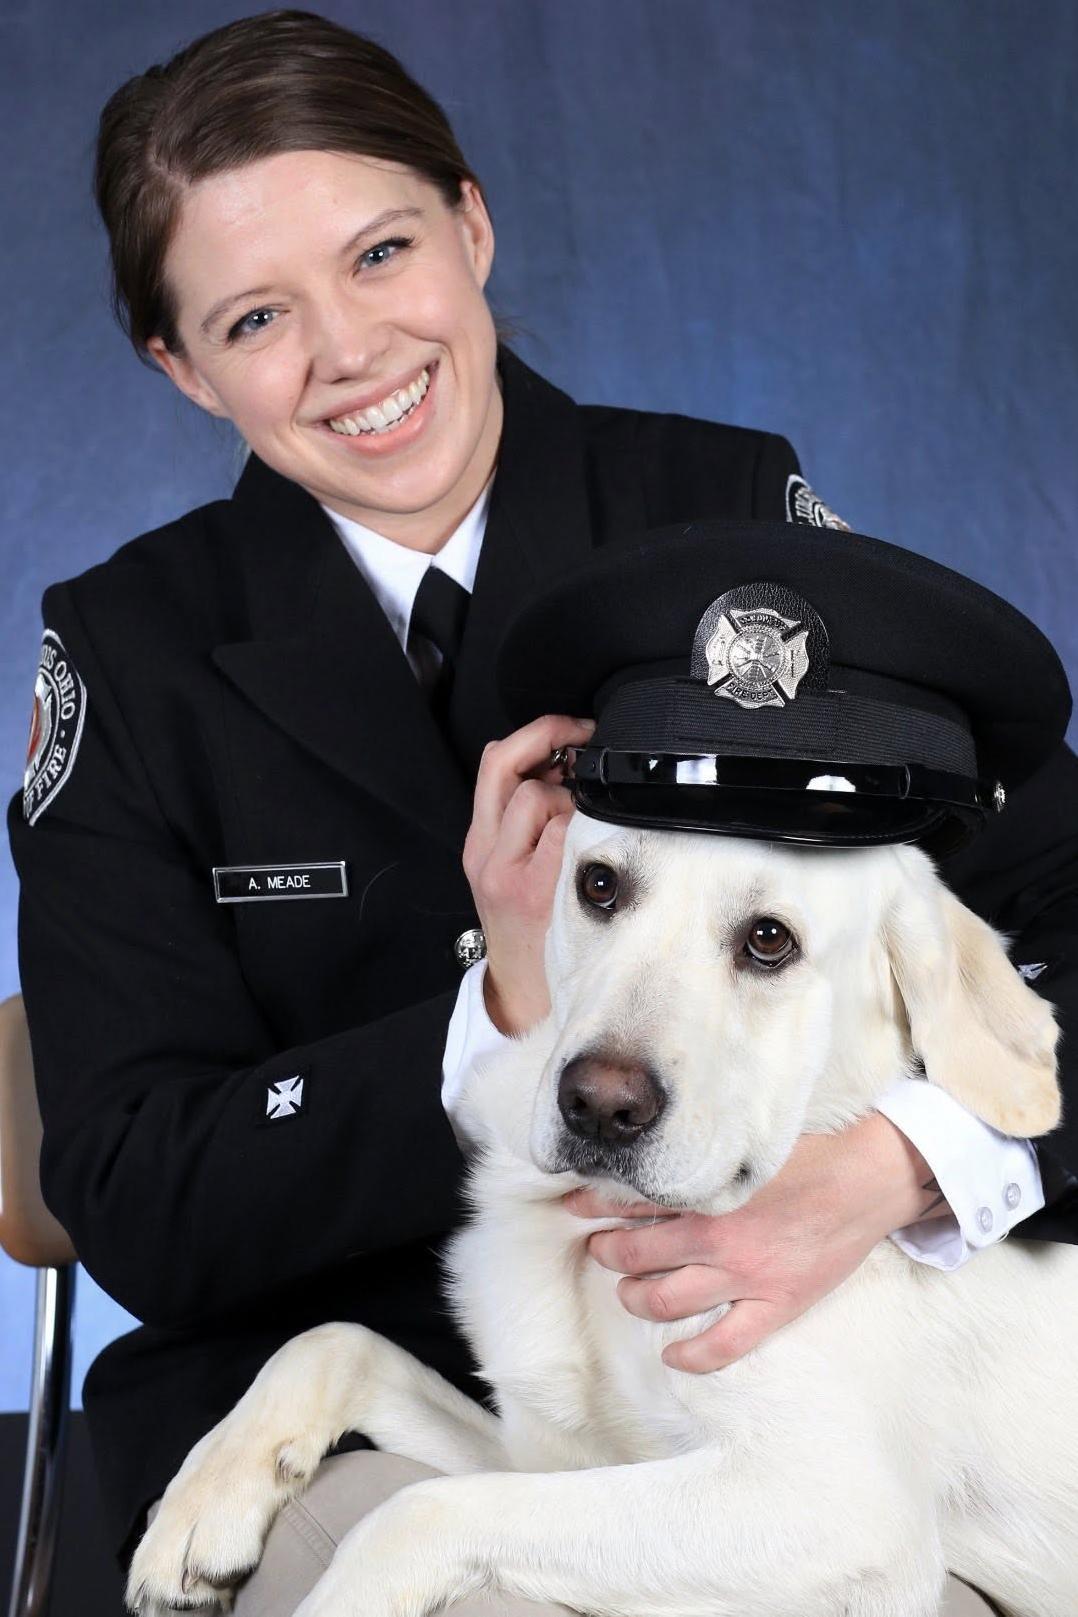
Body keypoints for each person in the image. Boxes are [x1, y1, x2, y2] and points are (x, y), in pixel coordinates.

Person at [8, 11, 1076, 1615]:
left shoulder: (725, 528)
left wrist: (896, 1168)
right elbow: (136, 1191)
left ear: (473, 222)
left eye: (381, 252)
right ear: (182, 367)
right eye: (254, 317)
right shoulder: (131, 656)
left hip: (827, 1377)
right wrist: (498, 1009)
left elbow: (1065, 915)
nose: (350, 350)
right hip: (396, 1417)